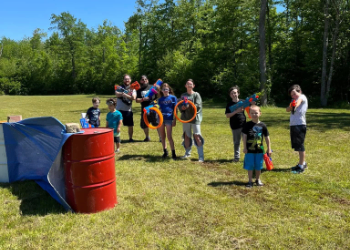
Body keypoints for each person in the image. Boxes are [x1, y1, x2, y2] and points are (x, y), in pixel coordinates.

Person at [242, 105, 271, 187]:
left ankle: (258, 179)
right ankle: (250, 181)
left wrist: (269, 148)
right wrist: (244, 147)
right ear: (249, 114)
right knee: (250, 166)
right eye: (252, 113)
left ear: (260, 113)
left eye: (256, 113)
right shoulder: (247, 125)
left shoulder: (263, 125)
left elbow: (267, 137)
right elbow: (244, 136)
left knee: (259, 165)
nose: (254, 114)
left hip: (259, 150)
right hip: (249, 150)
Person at [180, 79, 204, 162]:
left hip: (195, 119)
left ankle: (201, 156)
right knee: (186, 136)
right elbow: (180, 105)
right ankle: (187, 153)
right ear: (185, 86)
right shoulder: (183, 95)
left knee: (197, 136)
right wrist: (182, 108)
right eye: (188, 84)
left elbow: (198, 106)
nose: (189, 85)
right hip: (186, 118)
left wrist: (189, 106)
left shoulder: (196, 95)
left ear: (193, 86)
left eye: (191, 84)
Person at [286, 84, 308, 173]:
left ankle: (301, 166)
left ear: (300, 91)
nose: (293, 96)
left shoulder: (302, 97)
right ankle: (302, 163)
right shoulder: (293, 100)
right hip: (294, 125)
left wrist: (294, 104)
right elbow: (287, 109)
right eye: (292, 95)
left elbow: (298, 103)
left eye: (295, 93)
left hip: (300, 124)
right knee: (297, 145)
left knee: (300, 145)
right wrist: (291, 104)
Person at [135, 75, 161, 142]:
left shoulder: (152, 87)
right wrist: (143, 99)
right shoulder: (139, 90)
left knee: (156, 122)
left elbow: (158, 97)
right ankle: (147, 137)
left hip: (153, 108)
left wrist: (155, 102)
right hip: (144, 109)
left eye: (145, 79)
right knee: (144, 124)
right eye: (143, 80)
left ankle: (161, 137)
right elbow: (136, 100)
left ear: (148, 80)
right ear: (141, 81)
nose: (144, 81)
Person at [225, 86, 246, 162]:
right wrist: (236, 111)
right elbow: (227, 115)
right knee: (237, 142)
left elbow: (251, 109)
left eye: (235, 93)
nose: (234, 94)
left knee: (246, 141)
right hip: (235, 125)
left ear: (238, 93)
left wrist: (252, 103)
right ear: (230, 95)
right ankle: (236, 158)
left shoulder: (243, 102)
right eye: (232, 93)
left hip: (243, 124)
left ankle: (248, 157)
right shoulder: (229, 104)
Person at [157, 83, 177, 159]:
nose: (165, 90)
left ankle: (173, 153)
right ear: (161, 91)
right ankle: (165, 151)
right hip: (161, 119)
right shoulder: (160, 99)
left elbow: (176, 109)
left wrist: (174, 120)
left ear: (169, 90)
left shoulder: (173, 98)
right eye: (164, 89)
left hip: (169, 119)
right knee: (162, 136)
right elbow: (159, 108)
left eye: (166, 89)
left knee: (169, 136)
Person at [115, 74, 136, 142]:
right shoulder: (119, 87)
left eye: (128, 79)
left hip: (128, 110)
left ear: (130, 80)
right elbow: (117, 94)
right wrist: (124, 93)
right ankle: (115, 138)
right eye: (125, 79)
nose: (127, 80)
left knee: (130, 125)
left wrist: (125, 94)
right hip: (119, 109)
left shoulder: (133, 88)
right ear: (123, 80)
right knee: (116, 124)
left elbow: (133, 97)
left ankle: (130, 138)